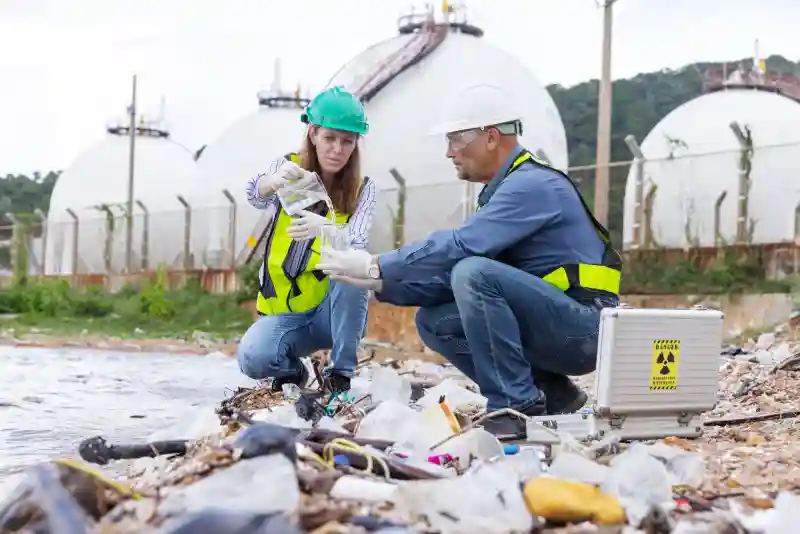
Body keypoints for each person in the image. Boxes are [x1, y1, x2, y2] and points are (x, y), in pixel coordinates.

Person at [316, 82, 622, 440]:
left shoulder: (532, 186)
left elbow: (461, 248)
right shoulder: (505, 191)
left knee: (473, 272)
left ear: (491, 137)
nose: (449, 152)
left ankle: (515, 403)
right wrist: (380, 282)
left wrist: (377, 264)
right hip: (557, 322)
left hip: (584, 328)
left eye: (456, 139)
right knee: (435, 320)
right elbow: (450, 277)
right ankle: (552, 393)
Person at [237, 86, 377, 395]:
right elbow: (254, 197)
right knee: (251, 357)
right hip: (287, 314)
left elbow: (357, 244)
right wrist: (269, 184)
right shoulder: (288, 167)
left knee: (353, 270)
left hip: (333, 314)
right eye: (330, 138)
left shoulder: (363, 189)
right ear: (313, 133)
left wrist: (326, 228)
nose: (337, 149)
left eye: (347, 141)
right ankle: (291, 372)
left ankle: (340, 375)